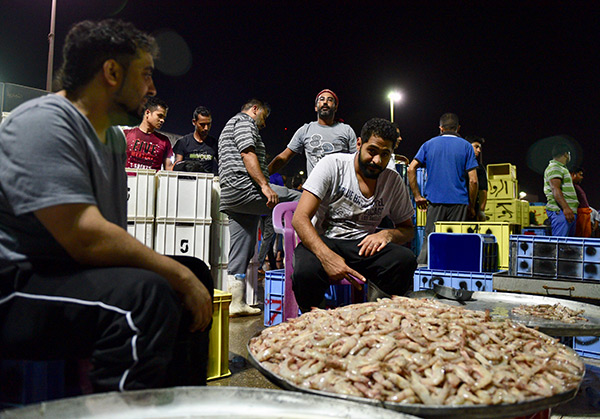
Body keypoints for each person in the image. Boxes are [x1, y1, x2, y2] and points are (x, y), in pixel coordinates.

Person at [0, 19, 213, 392]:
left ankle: (177, 402)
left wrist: (183, 275)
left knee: (197, 271)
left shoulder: (111, 139)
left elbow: (109, 239)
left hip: (64, 270)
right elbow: (85, 237)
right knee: (147, 296)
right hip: (16, 283)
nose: (152, 88)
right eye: (145, 74)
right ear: (112, 72)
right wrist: (176, 276)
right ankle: (115, 410)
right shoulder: (44, 122)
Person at [291, 118, 416, 311]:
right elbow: (299, 218)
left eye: (385, 154)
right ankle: (316, 321)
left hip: (362, 246)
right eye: (372, 151)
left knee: (404, 259)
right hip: (324, 240)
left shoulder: (393, 180)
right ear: (359, 144)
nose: (377, 160)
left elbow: (408, 229)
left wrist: (388, 234)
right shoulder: (332, 165)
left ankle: (377, 317)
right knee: (305, 271)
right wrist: (327, 257)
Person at [218, 99, 301, 316]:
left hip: (231, 196)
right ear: (255, 109)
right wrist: (265, 185)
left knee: (242, 247)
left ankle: (236, 303)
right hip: (246, 189)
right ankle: (311, 258)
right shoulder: (244, 121)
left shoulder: (229, 125)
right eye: (263, 117)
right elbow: (247, 153)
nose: (263, 124)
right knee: (303, 198)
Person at [407, 113, 478, 265]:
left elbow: (411, 168)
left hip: (435, 201)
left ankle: (421, 273)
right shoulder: (466, 146)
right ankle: (454, 275)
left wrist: (417, 196)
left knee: (431, 239)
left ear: (441, 128)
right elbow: (473, 180)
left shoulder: (428, 144)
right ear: (458, 128)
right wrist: (471, 206)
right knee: (456, 243)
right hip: (459, 203)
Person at [268, 89, 357, 176]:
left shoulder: (346, 130)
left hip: (340, 184)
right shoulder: (305, 130)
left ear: (335, 107)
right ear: (316, 107)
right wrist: (263, 176)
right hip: (315, 185)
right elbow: (283, 157)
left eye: (330, 100)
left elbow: (357, 160)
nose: (325, 102)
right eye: (321, 99)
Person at [125, 96, 174, 170]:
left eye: (164, 118)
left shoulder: (164, 141)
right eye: (160, 116)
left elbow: (169, 168)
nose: (162, 120)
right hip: (128, 177)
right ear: (147, 113)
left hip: (152, 178)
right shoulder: (126, 135)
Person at [544, 145, 578, 237]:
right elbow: (555, 188)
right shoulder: (555, 167)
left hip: (567, 212)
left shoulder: (561, 168)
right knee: (560, 243)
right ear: (566, 154)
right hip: (561, 212)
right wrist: (566, 208)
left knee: (567, 244)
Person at [172, 106, 218, 175]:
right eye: (202, 124)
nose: (206, 128)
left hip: (207, 180)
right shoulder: (183, 142)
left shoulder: (214, 143)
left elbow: (223, 165)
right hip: (187, 179)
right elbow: (177, 167)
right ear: (194, 122)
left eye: (208, 124)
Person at [465, 135, 488, 221]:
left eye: (480, 148)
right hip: (469, 207)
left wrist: (481, 210)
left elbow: (483, 191)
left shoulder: (480, 168)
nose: (479, 150)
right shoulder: (478, 167)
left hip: (466, 208)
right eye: (476, 147)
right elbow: (482, 191)